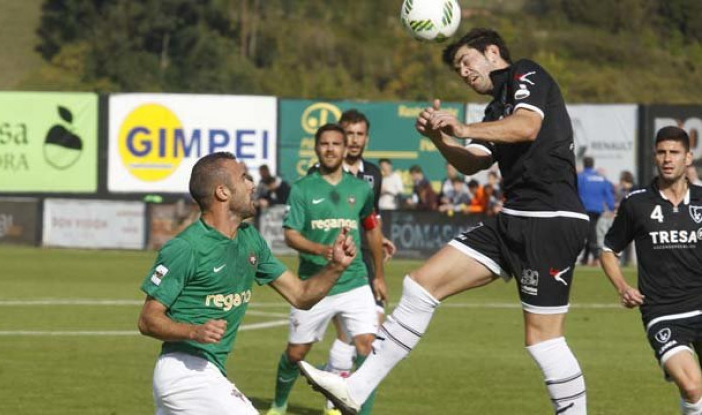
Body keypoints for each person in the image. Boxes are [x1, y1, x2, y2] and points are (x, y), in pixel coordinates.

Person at [298, 28, 590, 415]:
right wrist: (439, 139)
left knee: (544, 341)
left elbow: (527, 126)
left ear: (491, 51)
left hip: (551, 218)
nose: (464, 74)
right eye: (458, 70)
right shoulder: (492, 110)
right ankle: (357, 388)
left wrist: (463, 128)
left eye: (466, 62)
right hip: (513, 218)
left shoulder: (526, 73)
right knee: (420, 286)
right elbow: (473, 162)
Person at [137, 152, 358, 415]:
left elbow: (301, 295)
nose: (252, 185)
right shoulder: (186, 247)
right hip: (185, 372)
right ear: (222, 192)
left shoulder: (250, 239)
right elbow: (147, 320)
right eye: (244, 178)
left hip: (206, 371)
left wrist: (336, 267)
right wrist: (193, 332)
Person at [267, 124, 384, 415]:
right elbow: (290, 234)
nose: (330, 148)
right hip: (313, 285)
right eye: (324, 144)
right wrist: (323, 251)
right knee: (296, 354)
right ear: (316, 148)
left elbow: (371, 229)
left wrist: (379, 275)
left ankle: (353, 409)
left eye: (336, 143)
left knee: (368, 348)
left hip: (355, 281)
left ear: (345, 150)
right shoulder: (303, 188)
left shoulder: (360, 189)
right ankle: (280, 403)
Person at [599, 126, 702, 415]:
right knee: (693, 386)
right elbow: (608, 251)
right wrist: (622, 287)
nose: (667, 158)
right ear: (654, 157)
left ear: (688, 158)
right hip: (663, 311)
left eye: (674, 152)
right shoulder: (637, 202)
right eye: (661, 152)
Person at [304, 110, 395, 415]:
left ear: (366, 138)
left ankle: (339, 387)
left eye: (359, 135)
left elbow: (371, 218)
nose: (354, 141)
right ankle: (336, 385)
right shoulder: (317, 174)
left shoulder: (373, 174)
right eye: (349, 134)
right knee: (352, 338)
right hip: (334, 268)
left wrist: (379, 243)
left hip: (366, 266)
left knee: (369, 342)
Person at [577, 157, 615, 266]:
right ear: (593, 165)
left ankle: (596, 256)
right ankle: (585, 259)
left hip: (584, 208)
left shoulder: (581, 177)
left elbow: (575, 191)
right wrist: (611, 207)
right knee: (590, 230)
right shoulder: (601, 178)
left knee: (590, 231)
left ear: (584, 164)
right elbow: (608, 194)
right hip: (598, 209)